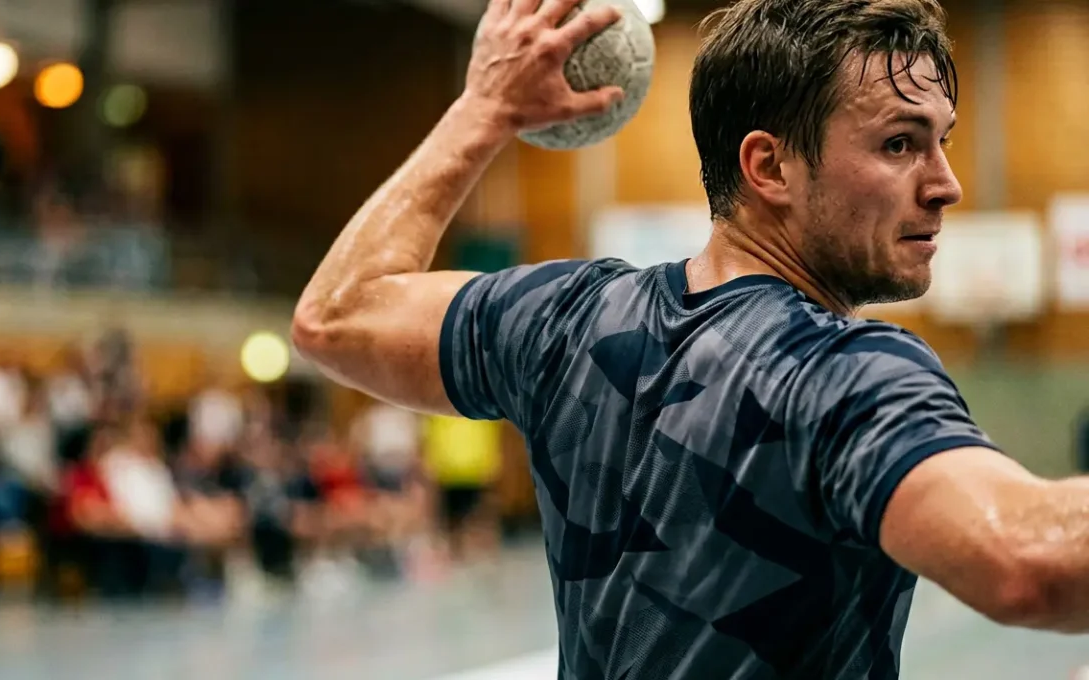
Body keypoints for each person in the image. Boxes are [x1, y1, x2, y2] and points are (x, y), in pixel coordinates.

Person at [293, 0, 1089, 677]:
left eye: (942, 139)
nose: (947, 182)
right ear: (769, 166)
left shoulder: (569, 320)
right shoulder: (840, 375)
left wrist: (483, 112)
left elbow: (338, 315)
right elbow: (1030, 563)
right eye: (899, 143)